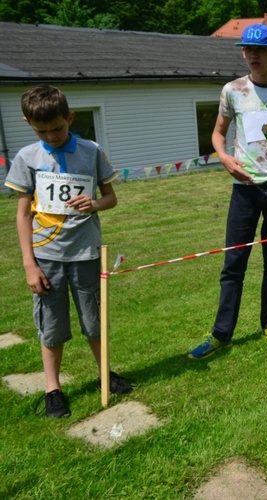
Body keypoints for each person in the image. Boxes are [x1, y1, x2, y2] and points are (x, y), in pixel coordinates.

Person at [5, 85, 131, 418]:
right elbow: (22, 214)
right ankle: (53, 389)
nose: (52, 136)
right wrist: (29, 264)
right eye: (42, 131)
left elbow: (111, 198)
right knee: (52, 325)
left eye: (58, 128)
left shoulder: (91, 151)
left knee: (94, 320)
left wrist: (94, 204)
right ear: (29, 124)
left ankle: (105, 373)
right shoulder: (27, 158)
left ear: (70, 118)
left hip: (86, 253)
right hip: (46, 257)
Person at [189, 24, 267, 359]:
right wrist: (225, 159)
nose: (253, 55)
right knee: (234, 262)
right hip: (243, 189)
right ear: (243, 52)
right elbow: (217, 133)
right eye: (247, 49)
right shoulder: (233, 90)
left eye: (260, 50)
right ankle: (221, 333)